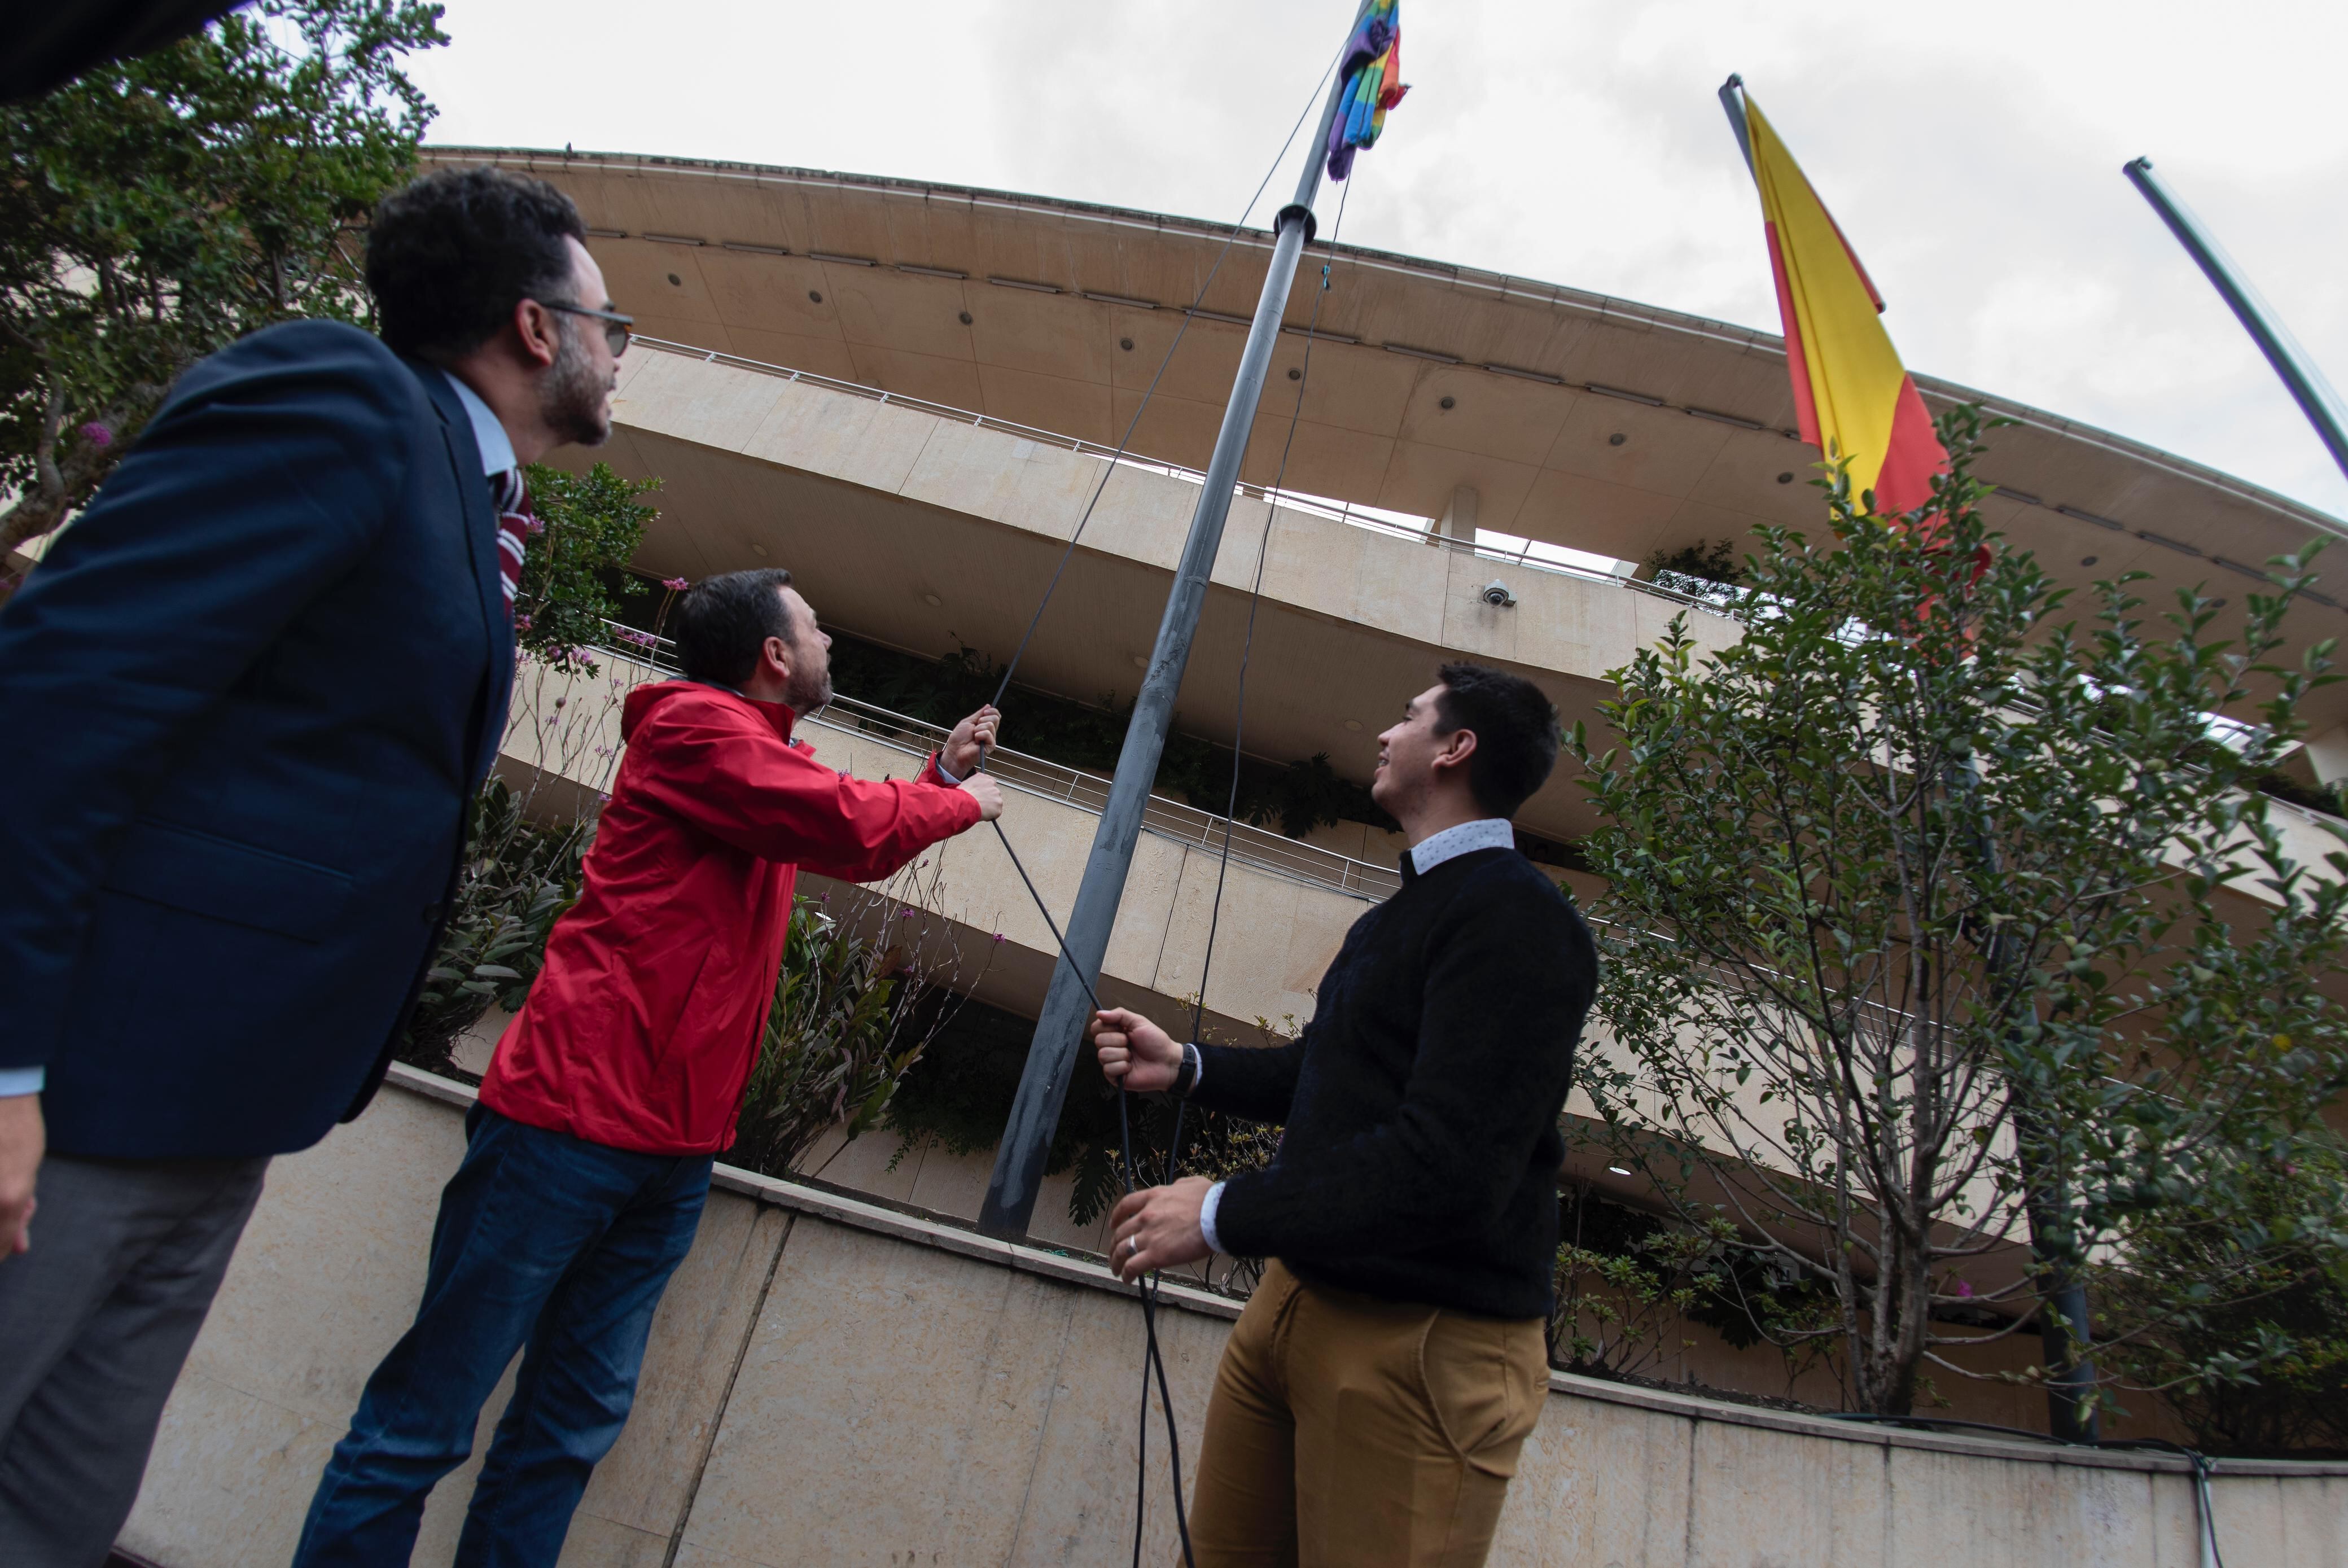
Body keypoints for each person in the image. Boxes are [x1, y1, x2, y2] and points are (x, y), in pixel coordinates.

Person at [0, 164, 623, 1567]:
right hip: (79, 1095)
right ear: (538, 328)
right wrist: (8, 1072)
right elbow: (55, 712)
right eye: (610, 322)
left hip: (213, 1116)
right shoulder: (342, 401)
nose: (615, 355)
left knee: (54, 1511)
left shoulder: (468, 499)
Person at [292, 568, 1005, 1565]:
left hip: (671, 1154)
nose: (830, 640)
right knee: (423, 1421)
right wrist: (965, 803)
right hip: (564, 1128)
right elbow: (846, 825)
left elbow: (823, 817)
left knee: (563, 1436)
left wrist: (935, 775)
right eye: (817, 624)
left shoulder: (756, 761)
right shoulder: (693, 732)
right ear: (773, 655)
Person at [1090, 662, 1596, 1568]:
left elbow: (1446, 1164)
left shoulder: (1521, 919)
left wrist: (1219, 1213)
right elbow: (1327, 1073)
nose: (1384, 734)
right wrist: (1189, 1067)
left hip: (1423, 1344)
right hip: (1293, 1305)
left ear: (1455, 747)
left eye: (1408, 717)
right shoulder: (1398, 916)